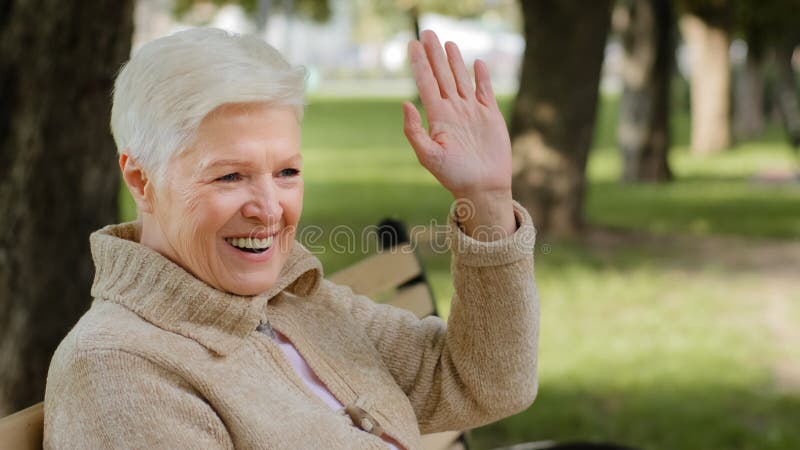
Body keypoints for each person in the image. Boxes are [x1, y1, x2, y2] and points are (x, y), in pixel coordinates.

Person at [43, 27, 539, 449]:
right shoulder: (116, 369)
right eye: (229, 176)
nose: (270, 209)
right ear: (141, 180)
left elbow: (486, 383)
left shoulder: (291, 301)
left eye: (286, 171)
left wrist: (487, 197)